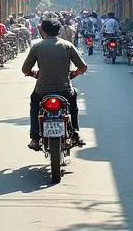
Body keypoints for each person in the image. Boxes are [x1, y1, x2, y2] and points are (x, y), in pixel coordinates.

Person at [21, 16, 87, 150]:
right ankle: (75, 133)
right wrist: (73, 74)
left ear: (43, 31)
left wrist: (33, 73)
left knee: (34, 104)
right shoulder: (67, 45)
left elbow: (25, 69)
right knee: (73, 103)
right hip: (65, 90)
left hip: (42, 91)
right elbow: (83, 67)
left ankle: (34, 137)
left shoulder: (37, 46)